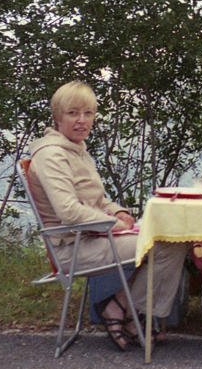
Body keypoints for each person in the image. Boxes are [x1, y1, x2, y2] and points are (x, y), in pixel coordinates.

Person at [26, 81, 188, 351]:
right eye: (73, 113)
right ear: (57, 117)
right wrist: (115, 226)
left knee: (168, 241)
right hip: (71, 247)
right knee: (167, 244)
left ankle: (119, 306)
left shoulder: (76, 149)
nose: (82, 121)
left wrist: (119, 212)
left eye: (88, 113)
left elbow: (97, 201)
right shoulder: (52, 155)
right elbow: (68, 210)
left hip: (89, 238)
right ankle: (130, 312)